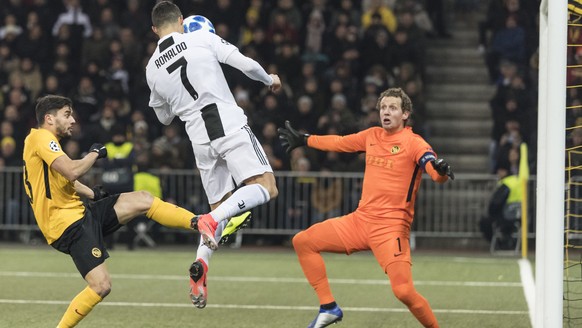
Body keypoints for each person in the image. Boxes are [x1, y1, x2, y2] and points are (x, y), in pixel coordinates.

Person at [22, 95, 205, 328]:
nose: (73, 120)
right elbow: (71, 171)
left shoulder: (37, 141)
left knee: (142, 200)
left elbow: (63, 180)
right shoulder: (42, 138)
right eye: (67, 115)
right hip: (68, 226)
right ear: (49, 118)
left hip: (80, 214)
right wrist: (95, 153)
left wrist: (93, 194)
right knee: (101, 286)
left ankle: (200, 223)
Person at [278, 88, 454, 328]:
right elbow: (340, 143)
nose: (386, 112)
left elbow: (433, 170)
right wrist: (306, 139)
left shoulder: (414, 143)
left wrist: (441, 172)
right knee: (303, 242)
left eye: (392, 108)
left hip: (391, 230)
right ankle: (329, 307)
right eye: (383, 108)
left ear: (405, 114)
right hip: (359, 222)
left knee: (403, 291)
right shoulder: (372, 135)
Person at [146, 1, 281, 309]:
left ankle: (200, 265)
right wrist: (269, 79)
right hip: (226, 122)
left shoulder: (151, 68)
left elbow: (163, 118)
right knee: (265, 186)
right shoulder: (199, 38)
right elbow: (245, 64)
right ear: (181, 20)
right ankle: (210, 219)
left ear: (155, 29)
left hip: (198, 138)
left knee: (221, 207)